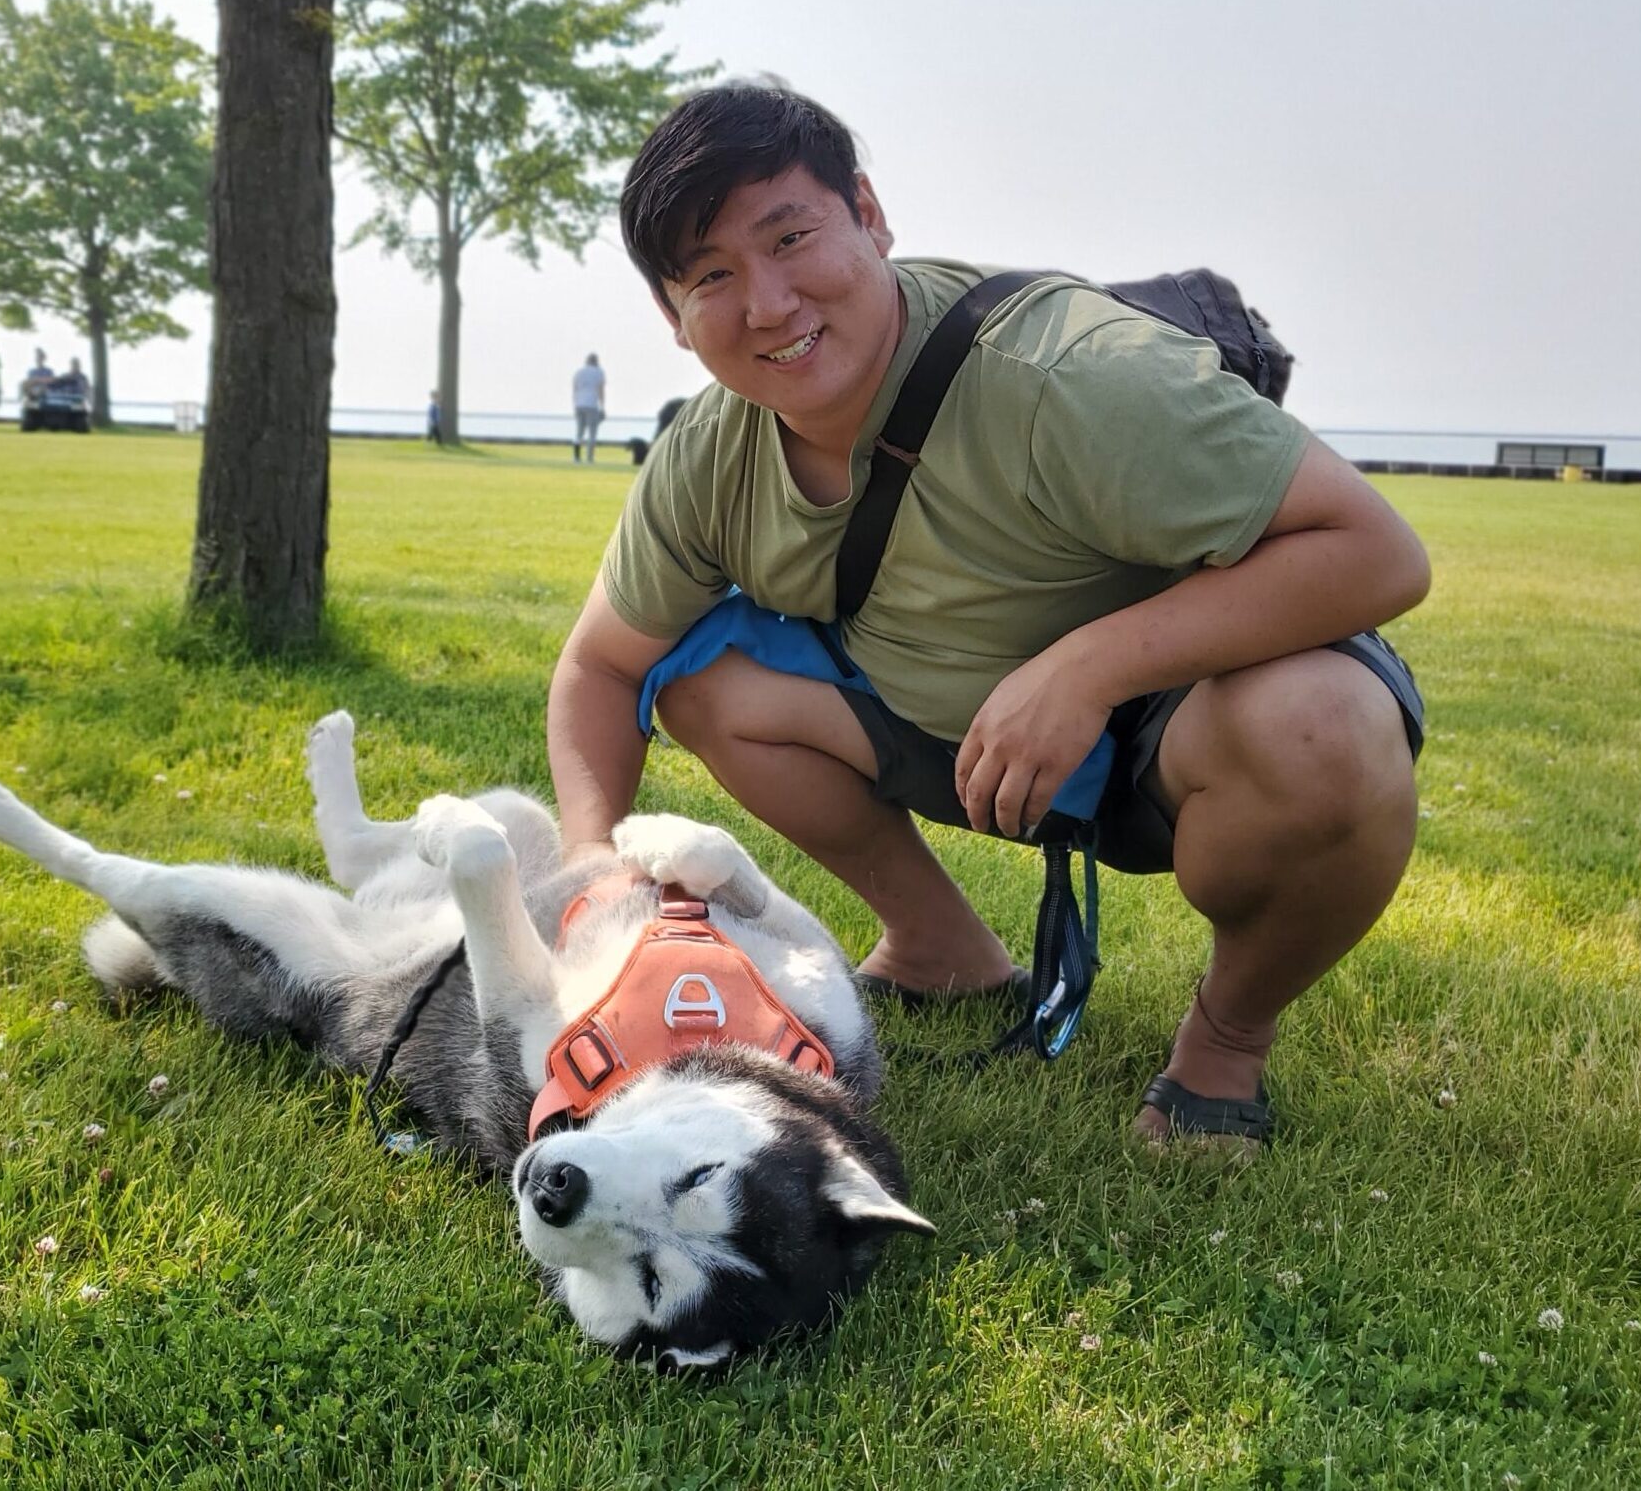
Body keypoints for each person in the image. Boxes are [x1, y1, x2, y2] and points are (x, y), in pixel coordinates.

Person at [545, 83, 1430, 1148]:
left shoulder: (1069, 372)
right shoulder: (709, 454)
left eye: (791, 238)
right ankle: (938, 947)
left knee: (1324, 724)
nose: (768, 303)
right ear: (673, 317)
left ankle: (1225, 1041)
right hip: (957, 738)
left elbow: (1376, 553)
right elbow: (601, 667)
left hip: (1177, 739)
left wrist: (1087, 668)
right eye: (713, 276)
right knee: (695, 679)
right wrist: (595, 889)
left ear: (867, 214)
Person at [571, 353, 606, 462]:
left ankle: (576, 457)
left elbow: (574, 389)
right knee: (592, 433)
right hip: (591, 404)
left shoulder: (578, 372)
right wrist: (602, 406)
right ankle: (589, 458)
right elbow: (600, 390)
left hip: (579, 404)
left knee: (579, 432)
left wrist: (575, 404)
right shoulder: (599, 372)